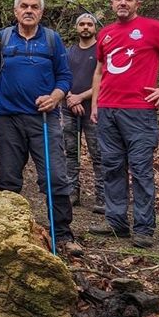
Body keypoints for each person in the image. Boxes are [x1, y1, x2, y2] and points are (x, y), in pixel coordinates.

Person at [0, 0, 82, 256]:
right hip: (8, 118)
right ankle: (7, 230)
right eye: (24, 6)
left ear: (41, 12)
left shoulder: (51, 39)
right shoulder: (2, 39)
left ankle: (63, 233)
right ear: (15, 11)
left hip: (43, 120)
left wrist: (56, 96)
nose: (29, 10)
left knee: (55, 177)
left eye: (35, 7)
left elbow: (65, 76)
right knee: (9, 178)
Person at [88, 0, 159, 249]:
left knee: (141, 170)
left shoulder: (152, 28)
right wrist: (96, 104)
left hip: (139, 112)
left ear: (137, 4)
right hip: (108, 110)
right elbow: (99, 71)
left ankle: (144, 228)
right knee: (112, 167)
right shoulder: (106, 33)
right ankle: (116, 222)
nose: (123, 2)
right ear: (112, 4)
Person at [62, 13, 103, 212]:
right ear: (76, 28)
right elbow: (61, 75)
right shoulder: (69, 52)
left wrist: (81, 97)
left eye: (89, 24)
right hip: (69, 107)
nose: (85, 27)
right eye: (82, 24)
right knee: (71, 151)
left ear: (95, 28)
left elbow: (103, 80)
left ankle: (102, 197)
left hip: (93, 109)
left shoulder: (100, 51)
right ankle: (72, 192)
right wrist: (70, 98)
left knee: (98, 153)